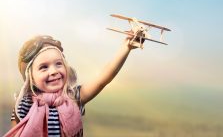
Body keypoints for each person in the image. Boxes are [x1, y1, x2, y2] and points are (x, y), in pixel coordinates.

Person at [4, 34, 138, 137]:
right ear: (30, 78)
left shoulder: (73, 97)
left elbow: (103, 78)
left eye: (58, 63)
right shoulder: (23, 104)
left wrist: (126, 47)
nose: (54, 71)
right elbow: (16, 132)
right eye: (44, 67)